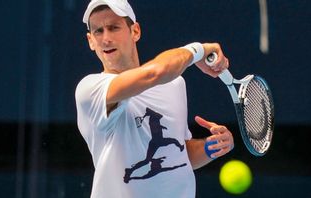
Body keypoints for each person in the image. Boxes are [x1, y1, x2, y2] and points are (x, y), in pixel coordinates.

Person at [75, 0, 234, 197]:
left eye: (113, 27)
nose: (105, 38)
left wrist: (212, 146)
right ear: (90, 40)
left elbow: (179, 156)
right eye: (98, 31)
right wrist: (198, 50)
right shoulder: (90, 90)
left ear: (135, 31)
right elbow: (156, 72)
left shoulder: (175, 85)